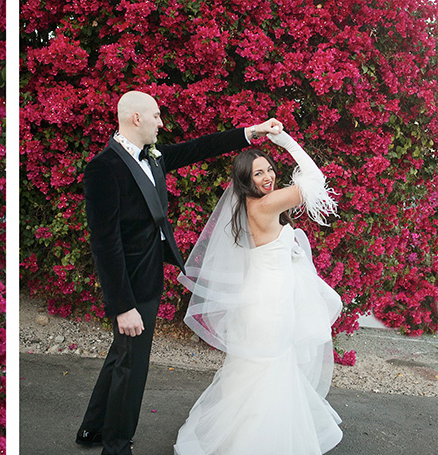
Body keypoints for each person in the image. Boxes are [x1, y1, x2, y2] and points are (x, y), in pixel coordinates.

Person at [78, 90, 283, 455]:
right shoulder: (103, 168)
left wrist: (251, 132)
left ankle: (92, 428)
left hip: (151, 270)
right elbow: (104, 243)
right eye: (156, 116)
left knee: (123, 353)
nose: (161, 122)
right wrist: (122, 305)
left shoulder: (154, 158)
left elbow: (198, 147)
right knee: (133, 364)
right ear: (136, 118)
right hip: (130, 281)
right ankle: (117, 445)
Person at [173, 132, 343, 454]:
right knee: (269, 371)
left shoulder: (252, 205)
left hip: (263, 298)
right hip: (270, 303)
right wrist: (287, 142)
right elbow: (315, 178)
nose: (267, 178)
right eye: (258, 174)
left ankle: (245, 439)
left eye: (269, 170)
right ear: (246, 181)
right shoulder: (265, 204)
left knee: (256, 370)